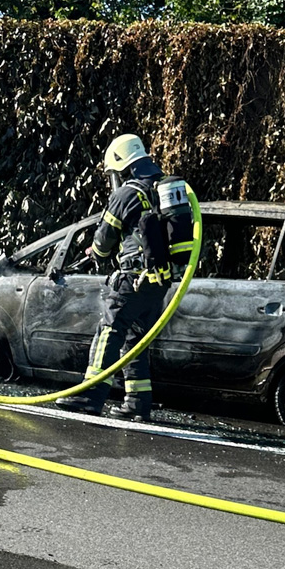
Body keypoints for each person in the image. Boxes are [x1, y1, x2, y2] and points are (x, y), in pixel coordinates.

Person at [55, 133, 195, 422]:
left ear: (123, 167)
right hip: (158, 283)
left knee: (109, 331)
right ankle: (138, 402)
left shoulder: (127, 194)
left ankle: (89, 395)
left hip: (132, 279)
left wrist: (96, 251)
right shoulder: (164, 189)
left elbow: (104, 241)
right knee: (135, 339)